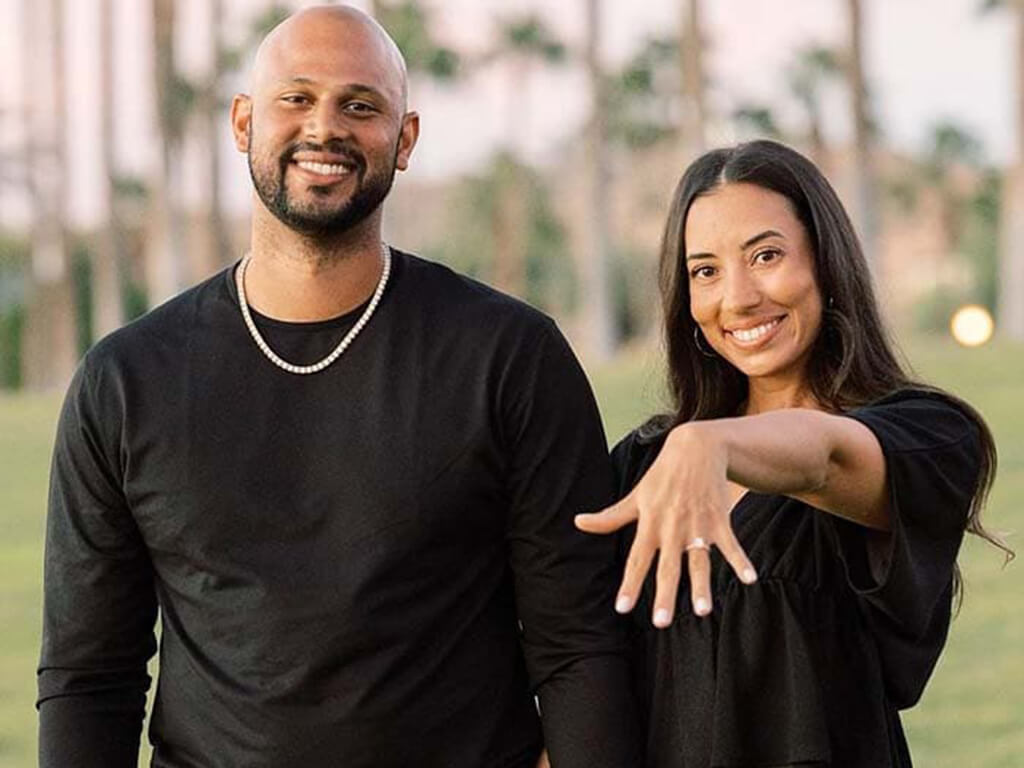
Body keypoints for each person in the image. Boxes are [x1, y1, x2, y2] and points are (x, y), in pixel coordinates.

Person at [36, 6, 640, 767]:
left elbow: (578, 645)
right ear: (243, 123)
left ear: (406, 139)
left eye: (361, 105)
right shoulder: (124, 382)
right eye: (296, 98)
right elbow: (89, 677)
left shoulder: (510, 356)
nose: (325, 128)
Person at [576, 139, 1009, 767]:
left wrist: (712, 444)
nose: (739, 297)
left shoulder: (928, 434)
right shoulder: (644, 470)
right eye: (706, 271)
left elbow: (828, 457)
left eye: (767, 255)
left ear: (825, 263)